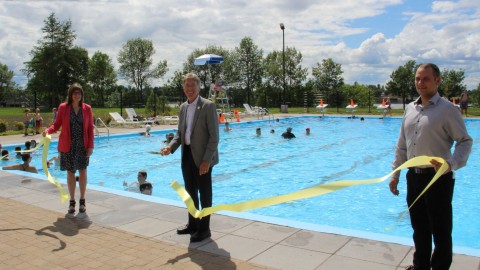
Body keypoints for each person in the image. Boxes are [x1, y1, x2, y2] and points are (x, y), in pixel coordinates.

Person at [389, 63, 472, 270]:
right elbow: (402, 145)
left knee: (441, 231)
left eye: (425, 78)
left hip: (438, 178)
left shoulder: (448, 110)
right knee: (419, 228)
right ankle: (420, 267)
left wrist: (450, 165)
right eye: (418, 78)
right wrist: (395, 173)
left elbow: (465, 141)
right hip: (413, 177)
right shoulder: (409, 108)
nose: (420, 83)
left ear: (437, 80)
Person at [160, 72, 219, 243]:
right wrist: (170, 147)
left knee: (205, 194)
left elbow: (214, 136)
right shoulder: (183, 107)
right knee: (190, 192)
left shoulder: (208, 106)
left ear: (199, 87)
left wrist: (207, 160)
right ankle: (193, 224)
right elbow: (180, 133)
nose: (190, 89)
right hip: (186, 155)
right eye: (187, 85)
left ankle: (205, 228)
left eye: (193, 85)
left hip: (202, 158)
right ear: (183, 88)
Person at [43, 83, 94, 216]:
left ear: (82, 95)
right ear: (70, 94)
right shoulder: (63, 108)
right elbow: (57, 124)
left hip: (82, 146)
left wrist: (90, 146)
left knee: (83, 171)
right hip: (68, 145)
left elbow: (90, 129)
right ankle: (72, 202)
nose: (77, 95)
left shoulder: (87, 108)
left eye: (79, 93)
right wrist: (48, 130)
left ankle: (82, 200)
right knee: (70, 173)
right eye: (75, 93)